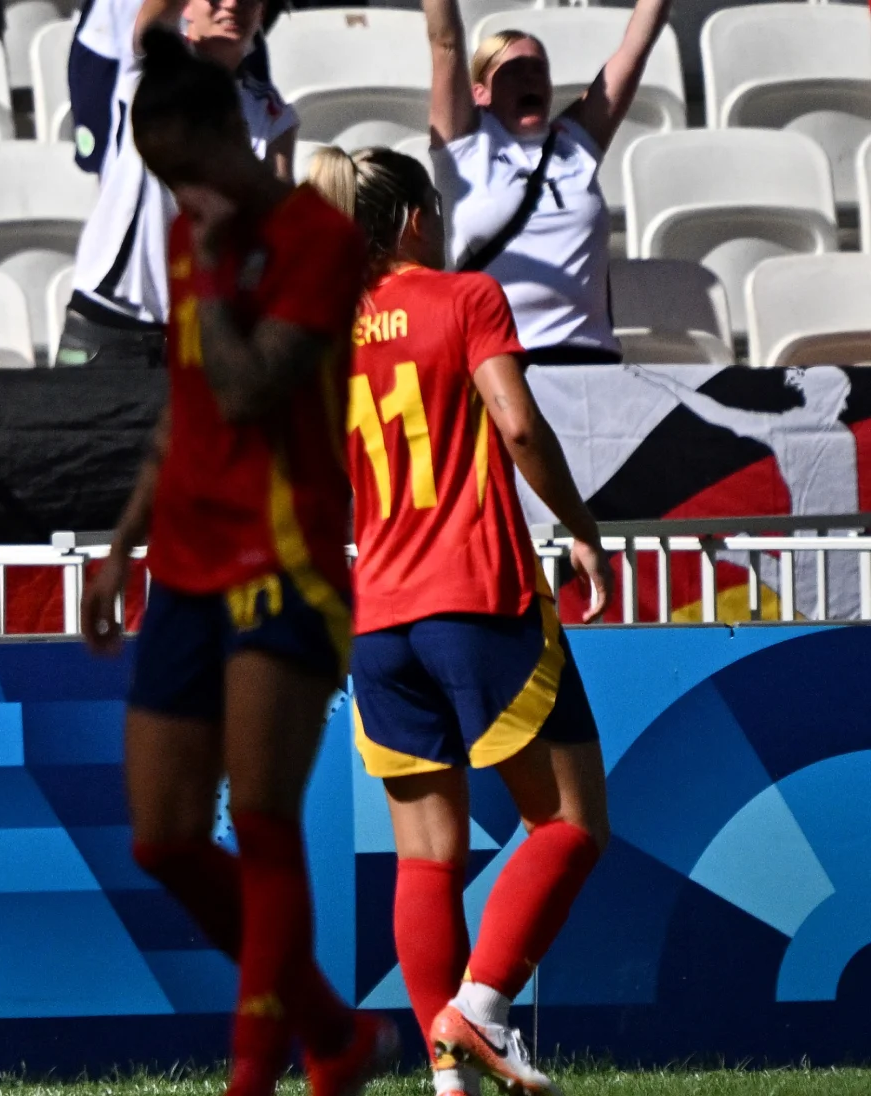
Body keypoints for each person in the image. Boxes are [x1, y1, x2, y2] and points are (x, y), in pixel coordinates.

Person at [77, 30, 391, 1096]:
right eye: (160, 177)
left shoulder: (315, 238)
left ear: (230, 135)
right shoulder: (193, 236)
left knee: (258, 819)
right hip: (184, 560)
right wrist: (119, 545)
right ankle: (332, 1031)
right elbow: (190, 404)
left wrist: (210, 266)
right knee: (161, 840)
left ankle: (257, 1077)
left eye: (183, 166)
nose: (177, 191)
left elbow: (256, 386)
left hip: (286, 560)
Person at [306, 145, 612, 1096]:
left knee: (425, 856)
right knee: (567, 823)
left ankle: (449, 1080)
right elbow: (517, 426)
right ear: (408, 220)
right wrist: (584, 530)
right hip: (476, 598)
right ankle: (477, 1014)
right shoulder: (464, 297)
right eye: (432, 210)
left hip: (379, 616)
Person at [425, 0, 671, 365]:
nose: (530, 78)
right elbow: (445, 40)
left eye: (539, 69)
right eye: (513, 70)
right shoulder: (462, 147)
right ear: (480, 93)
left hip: (590, 360)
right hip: (499, 363)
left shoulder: (575, 142)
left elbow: (637, 45)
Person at [58, 0, 296, 368]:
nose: (231, 4)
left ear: (261, 13)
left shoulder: (271, 113)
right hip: (110, 320)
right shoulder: (152, 65)